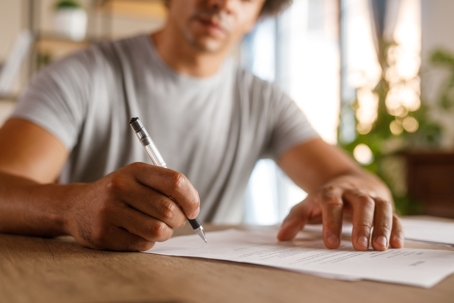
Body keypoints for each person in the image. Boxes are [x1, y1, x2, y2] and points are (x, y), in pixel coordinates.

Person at [0, 0, 403, 252]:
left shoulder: (265, 101)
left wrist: (349, 192)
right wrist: (73, 208)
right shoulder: (80, 75)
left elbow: (359, 180)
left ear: (259, 14)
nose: (222, 2)